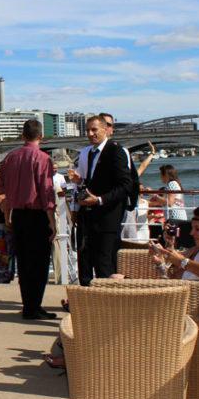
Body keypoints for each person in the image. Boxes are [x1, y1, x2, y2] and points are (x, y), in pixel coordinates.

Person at [0, 119, 57, 319]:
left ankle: (28, 306)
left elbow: (2, 192)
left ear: (22, 136)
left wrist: (7, 217)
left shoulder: (9, 158)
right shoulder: (43, 159)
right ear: (41, 137)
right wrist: (52, 221)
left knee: (23, 263)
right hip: (38, 216)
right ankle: (35, 306)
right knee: (39, 263)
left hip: (18, 216)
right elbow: (46, 193)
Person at [67, 115, 133, 285]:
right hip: (87, 217)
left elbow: (126, 185)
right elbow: (94, 183)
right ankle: (85, 302)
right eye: (87, 130)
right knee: (85, 262)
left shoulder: (116, 151)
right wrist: (80, 182)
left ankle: (106, 306)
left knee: (104, 265)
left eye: (94, 129)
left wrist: (100, 200)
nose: (90, 133)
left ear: (106, 130)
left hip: (106, 218)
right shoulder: (89, 153)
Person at [149, 206, 199, 282]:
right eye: (192, 228)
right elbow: (174, 279)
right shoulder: (196, 251)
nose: (191, 233)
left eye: (198, 229)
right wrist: (160, 264)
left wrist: (182, 261)